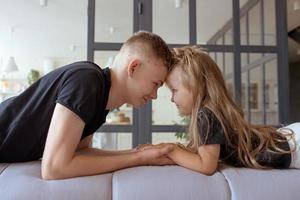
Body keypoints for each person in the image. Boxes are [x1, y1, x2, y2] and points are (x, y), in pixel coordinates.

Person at [0, 31, 175, 180]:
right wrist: (139, 159)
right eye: (155, 84)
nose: (154, 95)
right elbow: (54, 168)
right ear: (134, 67)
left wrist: (138, 152)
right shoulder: (87, 80)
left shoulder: (101, 98)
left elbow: (81, 152)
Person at [139, 46, 300, 175]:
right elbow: (201, 156)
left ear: (196, 86)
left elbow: (207, 166)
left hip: (294, 147)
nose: (172, 98)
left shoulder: (206, 115)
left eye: (174, 90)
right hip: (289, 138)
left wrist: (171, 150)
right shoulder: (207, 112)